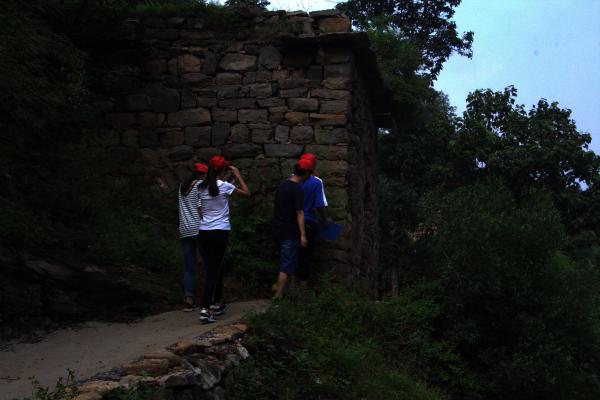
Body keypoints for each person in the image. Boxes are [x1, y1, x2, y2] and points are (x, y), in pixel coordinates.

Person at [197, 155, 250, 323]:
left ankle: (216, 303)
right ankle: (205, 308)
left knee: (215, 266)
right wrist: (237, 175)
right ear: (224, 170)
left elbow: (200, 210)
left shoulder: (201, 186)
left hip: (204, 231)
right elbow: (246, 193)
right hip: (220, 231)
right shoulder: (225, 186)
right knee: (213, 270)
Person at [272, 159, 312, 299]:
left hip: (278, 228)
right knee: (286, 264)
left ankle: (284, 292)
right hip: (290, 231)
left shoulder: (282, 185)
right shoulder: (297, 189)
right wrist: (303, 234)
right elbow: (299, 212)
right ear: (306, 173)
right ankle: (278, 295)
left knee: (286, 261)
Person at [178, 163, 208, 312]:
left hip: (184, 230)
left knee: (189, 267)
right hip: (198, 229)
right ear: (203, 175)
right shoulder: (200, 186)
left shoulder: (182, 187)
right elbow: (200, 208)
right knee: (209, 263)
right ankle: (209, 299)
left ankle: (189, 298)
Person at [297, 153, 330, 283]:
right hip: (309, 221)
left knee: (293, 252)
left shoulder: (292, 179)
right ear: (313, 167)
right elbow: (320, 205)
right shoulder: (317, 182)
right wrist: (325, 219)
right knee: (306, 255)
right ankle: (302, 285)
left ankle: (289, 283)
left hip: (292, 220)